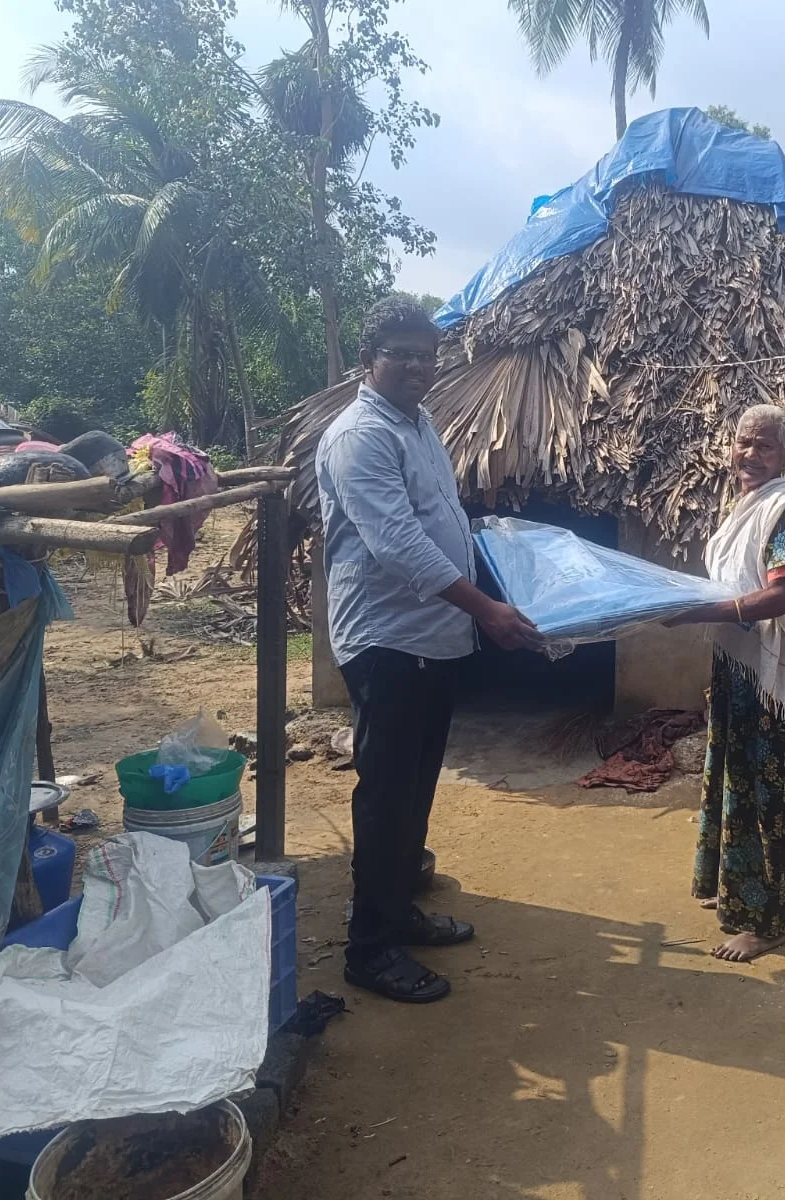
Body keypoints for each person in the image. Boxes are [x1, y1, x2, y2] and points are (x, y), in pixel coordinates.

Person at [316, 297, 541, 1003]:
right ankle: (369, 949)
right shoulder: (360, 436)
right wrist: (487, 610)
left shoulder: (419, 425)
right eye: (402, 355)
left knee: (413, 787)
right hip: (389, 640)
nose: (418, 366)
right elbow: (398, 545)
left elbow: (440, 520)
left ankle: (398, 911)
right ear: (367, 362)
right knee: (387, 794)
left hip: (432, 638)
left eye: (427, 355)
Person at [666, 404, 785, 962]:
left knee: (772, 786)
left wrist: (693, 613)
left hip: (779, 674)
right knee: (738, 772)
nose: (750, 454)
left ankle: (768, 921)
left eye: (765, 446)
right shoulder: (746, 506)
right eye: (744, 442)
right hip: (745, 662)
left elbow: (782, 596)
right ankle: (749, 889)